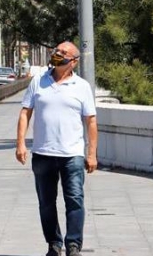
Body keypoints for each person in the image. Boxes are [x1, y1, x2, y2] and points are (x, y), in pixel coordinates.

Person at [15, 41, 97, 256]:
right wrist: (21, 143)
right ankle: (53, 243)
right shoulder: (38, 82)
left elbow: (91, 121)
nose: (57, 54)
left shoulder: (82, 86)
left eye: (63, 52)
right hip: (43, 154)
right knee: (46, 203)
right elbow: (25, 113)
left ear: (74, 61)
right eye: (57, 51)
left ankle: (73, 245)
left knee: (75, 201)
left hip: (73, 155)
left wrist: (91, 154)